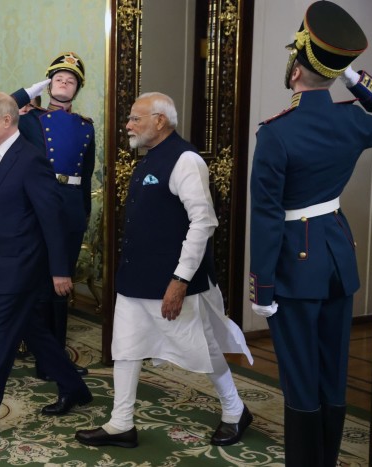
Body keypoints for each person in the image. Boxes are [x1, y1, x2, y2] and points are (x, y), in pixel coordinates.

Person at [248, 2, 372, 465]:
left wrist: (263, 287)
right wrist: (354, 78)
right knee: (333, 370)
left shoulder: (276, 134)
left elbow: (267, 216)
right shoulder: (352, 120)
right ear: (332, 74)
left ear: (295, 71)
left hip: (295, 264)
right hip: (335, 254)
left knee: (298, 374)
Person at [75, 92, 253, 449]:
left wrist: (180, 280)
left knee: (206, 350)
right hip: (135, 281)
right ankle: (121, 423)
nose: (127, 125)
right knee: (125, 348)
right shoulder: (149, 158)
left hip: (175, 283)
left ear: (160, 121)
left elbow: (202, 223)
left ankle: (235, 411)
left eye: (134, 118)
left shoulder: (186, 160)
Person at [0, 93, 92, 441]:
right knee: (34, 331)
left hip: (23, 267)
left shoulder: (31, 160)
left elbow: (51, 218)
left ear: (7, 121)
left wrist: (59, 270)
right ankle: (74, 388)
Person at [12, 52, 95, 377]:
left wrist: (84, 213)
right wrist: (29, 92)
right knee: (40, 283)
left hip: (70, 207)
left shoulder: (86, 126)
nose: (64, 82)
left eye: (70, 80)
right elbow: (0, 106)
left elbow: (86, 175)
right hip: (39, 205)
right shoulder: (30, 119)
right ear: (48, 85)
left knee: (63, 286)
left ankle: (55, 358)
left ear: (77, 89)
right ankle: (40, 351)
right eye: (58, 78)